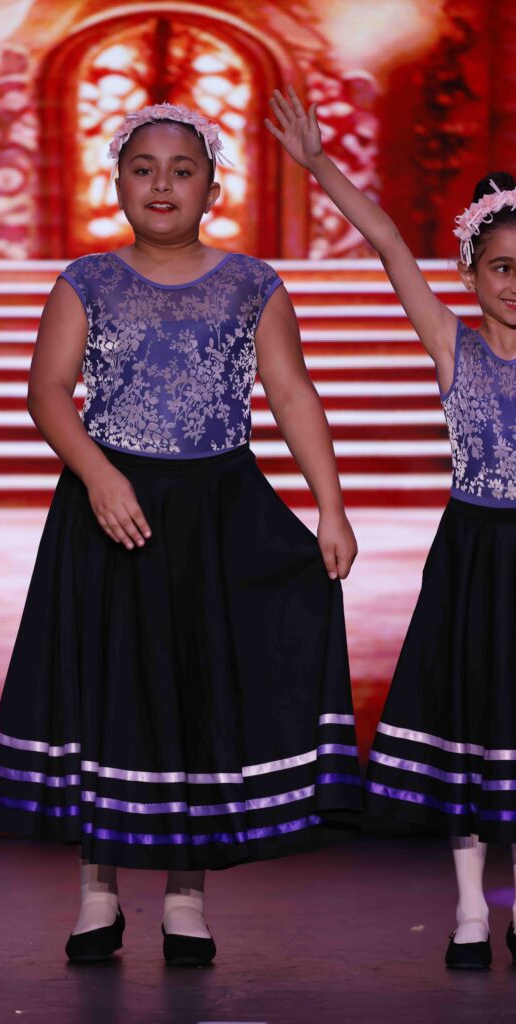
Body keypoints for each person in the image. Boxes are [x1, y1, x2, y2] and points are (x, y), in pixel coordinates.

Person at [0, 102, 361, 966]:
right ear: (115, 184)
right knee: (109, 688)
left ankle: (186, 897)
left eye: (182, 170)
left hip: (215, 512)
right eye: (143, 168)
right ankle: (98, 892)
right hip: (109, 509)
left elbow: (291, 392)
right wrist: (99, 474)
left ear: (212, 189)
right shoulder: (86, 280)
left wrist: (329, 505)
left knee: (194, 687)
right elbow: (47, 390)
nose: (162, 183)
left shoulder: (252, 282)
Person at [265, 85, 516, 971]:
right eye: (500, 267)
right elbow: (386, 243)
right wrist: (318, 163)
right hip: (475, 557)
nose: (514, 284)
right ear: (470, 275)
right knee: (468, 723)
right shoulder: (453, 345)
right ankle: (469, 910)